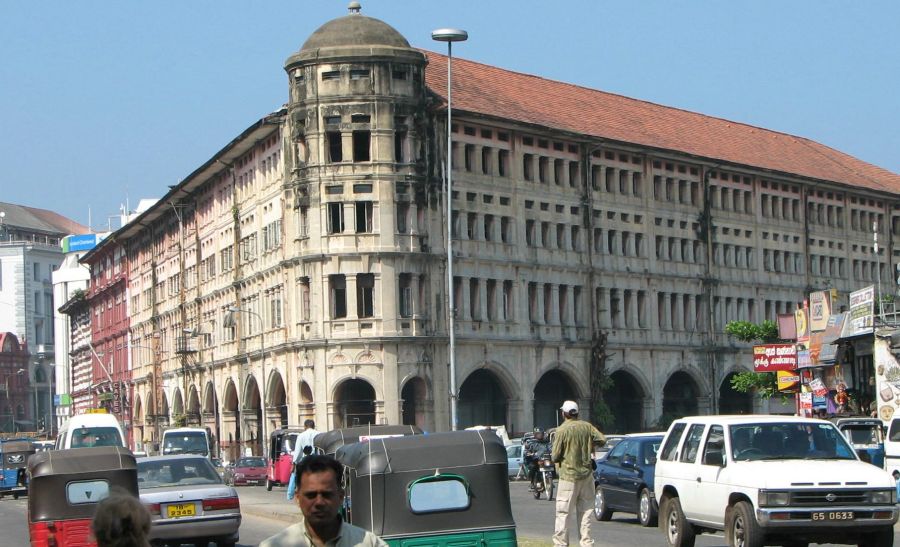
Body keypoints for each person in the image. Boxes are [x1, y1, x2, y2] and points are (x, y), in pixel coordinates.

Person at [261, 454, 387, 547]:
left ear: (341, 496)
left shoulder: (369, 543)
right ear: (298, 498)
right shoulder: (274, 545)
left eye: (327, 495)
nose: (319, 502)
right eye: (311, 495)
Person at [551, 400, 605, 547]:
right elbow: (602, 439)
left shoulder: (562, 430)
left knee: (563, 513)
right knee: (586, 512)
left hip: (568, 476)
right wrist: (589, 446)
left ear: (564, 414)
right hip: (587, 476)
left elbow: (555, 456)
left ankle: (561, 544)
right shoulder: (587, 427)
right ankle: (586, 542)